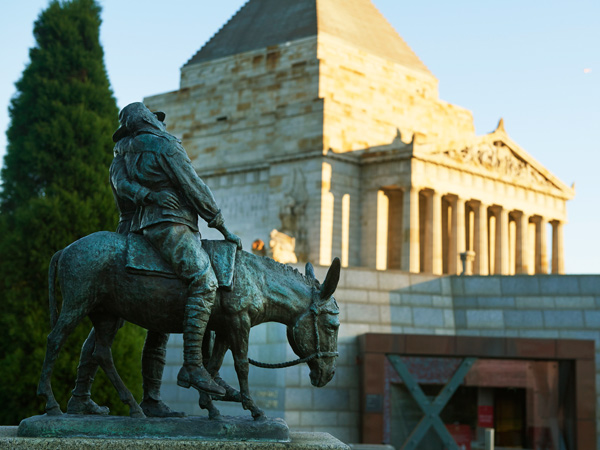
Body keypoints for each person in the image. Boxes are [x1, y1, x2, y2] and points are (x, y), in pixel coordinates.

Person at [114, 102, 241, 396]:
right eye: (158, 120)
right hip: (171, 226)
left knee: (158, 324)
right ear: (150, 121)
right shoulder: (165, 145)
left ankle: (154, 398)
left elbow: (124, 189)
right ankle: (194, 366)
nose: (163, 125)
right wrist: (221, 226)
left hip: (141, 229)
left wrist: (146, 195)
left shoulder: (124, 152)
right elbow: (193, 186)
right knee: (206, 283)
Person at [67, 110, 184, 417]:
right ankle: (80, 393)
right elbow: (124, 188)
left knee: (163, 323)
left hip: (157, 233)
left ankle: (153, 399)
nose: (157, 127)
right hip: (132, 234)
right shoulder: (123, 159)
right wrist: (153, 196)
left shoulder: (151, 154)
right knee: (107, 326)